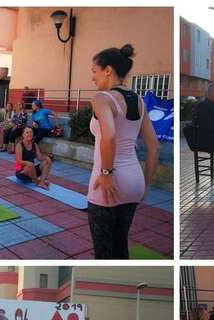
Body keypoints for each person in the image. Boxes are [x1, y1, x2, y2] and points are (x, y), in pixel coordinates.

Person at [87, 44, 158, 259]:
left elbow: (109, 136)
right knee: (121, 246)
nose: (92, 77)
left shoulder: (102, 99)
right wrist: (146, 183)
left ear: (108, 70)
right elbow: (154, 146)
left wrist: (107, 174)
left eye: (94, 71)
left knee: (104, 252)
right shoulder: (139, 101)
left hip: (108, 182)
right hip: (134, 181)